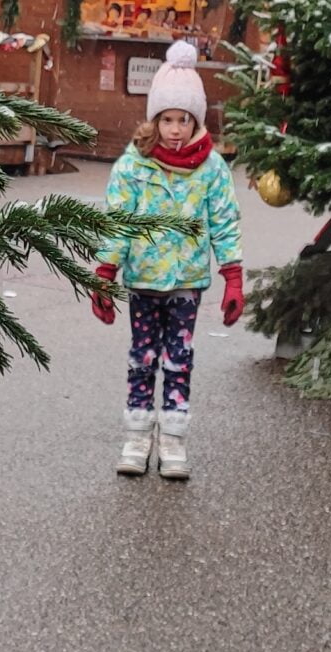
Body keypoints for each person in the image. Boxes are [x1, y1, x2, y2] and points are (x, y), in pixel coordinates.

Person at [89, 39, 244, 480]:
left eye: (183, 120)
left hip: (186, 283)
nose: (175, 129)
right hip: (144, 281)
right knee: (143, 356)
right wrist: (105, 271)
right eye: (167, 119)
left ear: (196, 119)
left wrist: (232, 275)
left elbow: (225, 221)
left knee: (179, 359)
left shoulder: (212, 168)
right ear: (154, 119)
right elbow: (118, 221)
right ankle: (137, 436)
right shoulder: (134, 166)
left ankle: (173, 439)